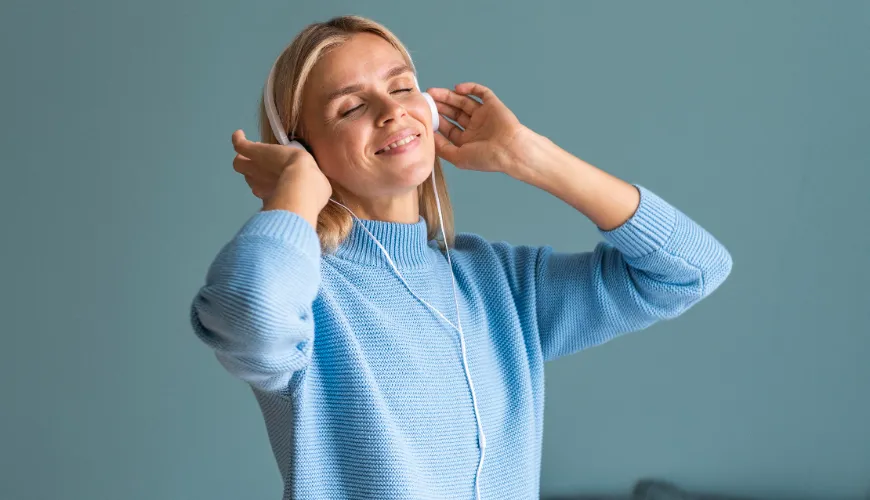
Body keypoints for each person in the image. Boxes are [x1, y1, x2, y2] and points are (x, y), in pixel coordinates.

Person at [189, 14, 733, 500]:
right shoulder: (307, 291)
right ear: (302, 150)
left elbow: (692, 269)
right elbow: (250, 314)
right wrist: (294, 194)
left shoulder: (498, 286)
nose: (391, 111)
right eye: (351, 106)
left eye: (402, 87)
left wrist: (530, 155)